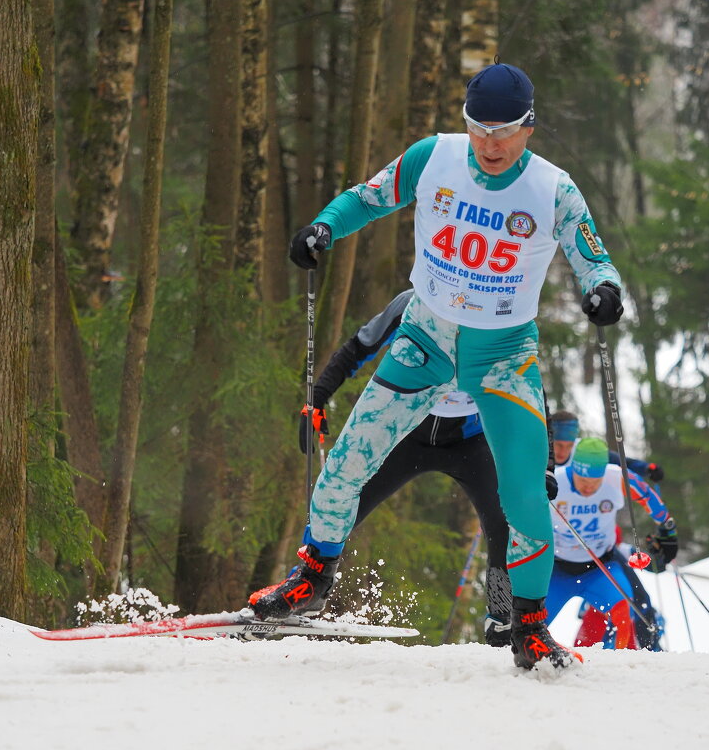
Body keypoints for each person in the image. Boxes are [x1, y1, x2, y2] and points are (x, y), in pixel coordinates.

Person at [249, 62, 623, 671]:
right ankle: (312, 575)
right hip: (425, 336)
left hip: (503, 354)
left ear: (530, 127)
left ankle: (527, 622)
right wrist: (322, 227)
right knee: (347, 459)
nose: (491, 144)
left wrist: (603, 292)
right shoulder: (434, 157)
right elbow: (368, 198)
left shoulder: (555, 189)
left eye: (505, 130)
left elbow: (593, 259)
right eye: (479, 128)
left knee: (525, 494)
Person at [299, 288, 545, 647]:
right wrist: (317, 398)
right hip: (408, 432)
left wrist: (546, 466)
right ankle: (304, 585)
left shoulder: (499, 310)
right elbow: (359, 347)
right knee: (343, 497)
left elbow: (529, 391)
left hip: (469, 440)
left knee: (503, 521)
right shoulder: (415, 300)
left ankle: (503, 619)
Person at [545, 437, 677, 649]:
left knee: (624, 614)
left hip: (600, 567)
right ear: (573, 471)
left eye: (595, 483)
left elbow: (647, 495)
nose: (589, 488)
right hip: (556, 569)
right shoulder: (556, 482)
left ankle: (622, 666)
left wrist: (667, 531)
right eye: (583, 482)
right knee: (531, 621)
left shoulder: (614, 478)